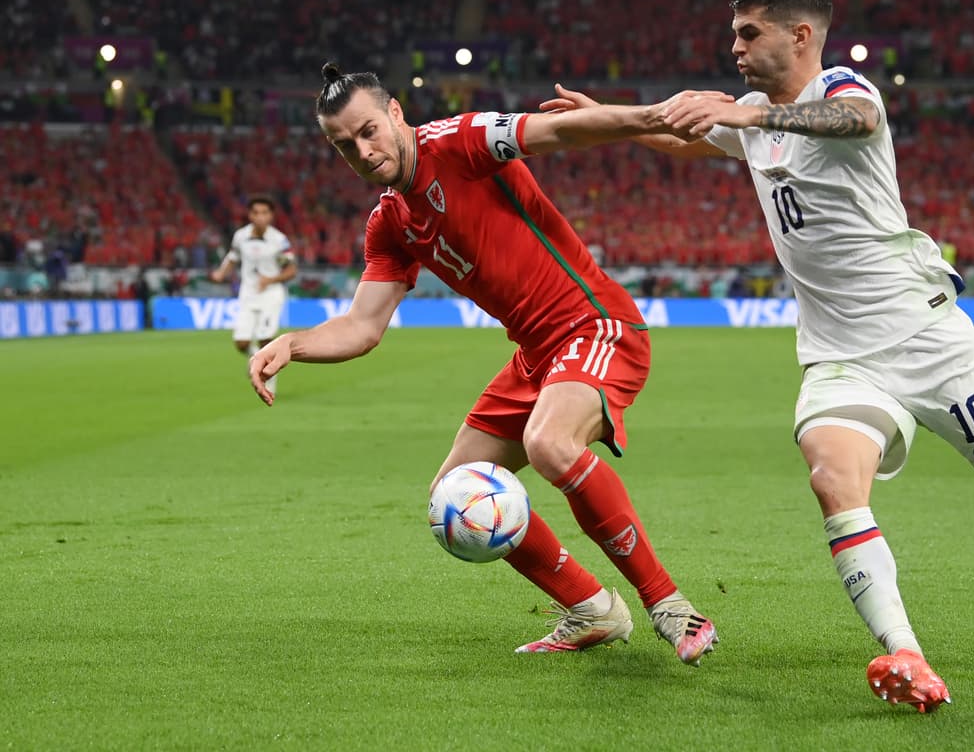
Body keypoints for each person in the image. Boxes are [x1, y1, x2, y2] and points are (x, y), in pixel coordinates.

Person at [543, 0, 974, 712]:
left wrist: (747, 117)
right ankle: (906, 657)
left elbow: (853, 124)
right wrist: (614, 117)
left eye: (747, 32)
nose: (733, 46)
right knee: (832, 475)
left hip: (929, 342)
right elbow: (686, 139)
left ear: (800, 35)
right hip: (842, 358)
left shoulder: (844, 95)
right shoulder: (754, 112)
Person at [248, 64, 718, 665]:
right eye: (344, 146)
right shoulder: (390, 221)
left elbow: (558, 134)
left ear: (395, 114)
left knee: (549, 443)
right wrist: (292, 343)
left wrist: (652, 118)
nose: (362, 152)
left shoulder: (460, 140)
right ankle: (592, 609)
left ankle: (669, 604)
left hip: (595, 325)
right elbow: (363, 327)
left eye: (368, 131)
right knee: (454, 492)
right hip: (536, 355)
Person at [209, 196, 297, 393]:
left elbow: (291, 270)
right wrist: (221, 273)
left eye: (264, 213)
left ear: (271, 216)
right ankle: (256, 362)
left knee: (266, 339)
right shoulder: (241, 236)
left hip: (271, 294)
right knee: (241, 342)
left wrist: (271, 279)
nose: (260, 217)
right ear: (250, 215)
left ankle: (269, 383)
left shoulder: (279, 241)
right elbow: (232, 257)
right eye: (256, 213)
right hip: (248, 294)